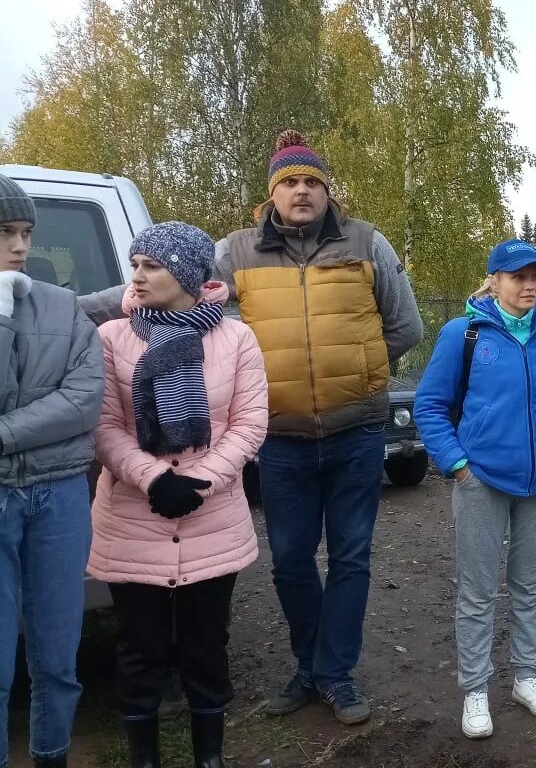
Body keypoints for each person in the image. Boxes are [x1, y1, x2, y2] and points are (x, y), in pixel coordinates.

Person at [82, 131, 424, 725]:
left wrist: (362, 370)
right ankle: (305, 666)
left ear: (326, 191)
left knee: (350, 559)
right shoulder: (235, 251)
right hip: (282, 439)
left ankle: (334, 674)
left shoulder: (367, 242)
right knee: (290, 560)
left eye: (312, 182)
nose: (302, 191)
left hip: (356, 433)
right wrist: (54, 305)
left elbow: (406, 326)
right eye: (290, 182)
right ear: (272, 193)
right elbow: (160, 279)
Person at [88, 221, 268, 768]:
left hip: (211, 516)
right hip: (134, 518)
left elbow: (248, 424)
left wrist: (198, 479)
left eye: (150, 265)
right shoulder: (113, 338)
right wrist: (151, 478)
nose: (136, 276)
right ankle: (145, 767)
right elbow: (105, 427)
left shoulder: (236, 339)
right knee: (140, 649)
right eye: (134, 263)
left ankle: (210, 759)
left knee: (204, 645)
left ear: (188, 276)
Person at [413, 240, 536, 739]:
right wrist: (458, 465)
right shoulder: (463, 334)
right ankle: (475, 689)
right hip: (482, 481)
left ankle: (528, 678)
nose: (529, 284)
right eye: (517, 276)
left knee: (530, 586)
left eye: (535, 274)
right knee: (478, 589)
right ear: (493, 280)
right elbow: (430, 406)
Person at [0, 173, 103, 768]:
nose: (17, 245)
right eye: (5, 233)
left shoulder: (64, 307)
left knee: (58, 654)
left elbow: (84, 401)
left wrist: (5, 434)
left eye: (25, 233)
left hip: (61, 494)